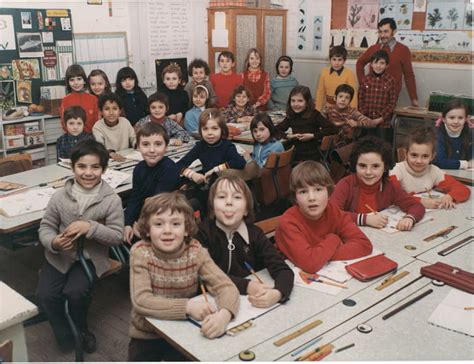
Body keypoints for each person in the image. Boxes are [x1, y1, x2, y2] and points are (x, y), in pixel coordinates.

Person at [128, 192, 239, 361]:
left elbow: (226, 286)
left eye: (176, 224)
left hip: (184, 331)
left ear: (187, 229)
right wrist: (187, 307)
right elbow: (141, 301)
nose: (167, 231)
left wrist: (224, 315)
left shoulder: (195, 251)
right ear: (148, 230)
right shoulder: (141, 252)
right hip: (147, 335)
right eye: (158, 224)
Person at [37, 139, 124, 353]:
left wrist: (90, 227)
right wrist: (54, 242)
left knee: (76, 293)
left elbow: (117, 236)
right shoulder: (59, 196)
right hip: (59, 256)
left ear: (104, 169)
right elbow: (46, 227)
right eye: (82, 166)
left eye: (95, 167)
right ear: (72, 166)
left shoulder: (111, 199)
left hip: (90, 259)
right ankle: (66, 334)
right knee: (45, 295)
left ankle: (82, 330)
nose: (88, 172)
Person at [197, 175, 294, 307]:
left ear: (247, 209)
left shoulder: (255, 234)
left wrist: (278, 293)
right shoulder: (202, 234)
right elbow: (207, 276)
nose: (229, 202)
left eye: (237, 197)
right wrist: (248, 286)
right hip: (212, 304)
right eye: (221, 197)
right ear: (212, 206)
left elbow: (282, 269)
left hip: (248, 305)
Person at [275, 161, 372, 273]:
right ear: (295, 198)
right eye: (303, 192)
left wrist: (319, 256)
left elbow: (364, 245)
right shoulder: (288, 222)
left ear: (329, 193)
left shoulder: (333, 211)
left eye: (318, 189)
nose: (311, 198)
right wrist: (334, 239)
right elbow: (310, 264)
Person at [331, 136, 425, 231]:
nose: (368, 172)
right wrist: (364, 219)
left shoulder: (389, 186)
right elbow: (332, 214)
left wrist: (410, 218)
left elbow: (416, 205)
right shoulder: (346, 184)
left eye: (375, 166)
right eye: (362, 166)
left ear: (385, 167)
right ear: (355, 166)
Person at [123, 123, 181, 245]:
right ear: (138, 146)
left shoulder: (170, 168)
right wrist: (128, 223)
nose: (152, 150)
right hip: (144, 216)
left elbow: (157, 203)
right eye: (145, 144)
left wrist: (140, 224)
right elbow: (135, 198)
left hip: (164, 219)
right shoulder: (139, 168)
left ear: (166, 146)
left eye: (158, 144)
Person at [390, 126, 470, 210]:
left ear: (432, 156)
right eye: (414, 155)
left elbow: (463, 189)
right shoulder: (396, 171)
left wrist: (450, 197)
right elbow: (394, 196)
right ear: (406, 154)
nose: (419, 161)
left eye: (425, 156)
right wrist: (420, 201)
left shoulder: (433, 171)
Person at [356, 17, 418, 106]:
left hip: (390, 98)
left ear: (394, 31)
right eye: (380, 32)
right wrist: (363, 83)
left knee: (385, 119)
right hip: (370, 96)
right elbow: (360, 63)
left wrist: (414, 98)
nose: (382, 35)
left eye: (386, 31)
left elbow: (409, 75)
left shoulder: (403, 50)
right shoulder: (373, 48)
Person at [177, 108, 246, 185]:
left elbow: (240, 162)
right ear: (200, 131)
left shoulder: (227, 146)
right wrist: (192, 174)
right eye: (205, 129)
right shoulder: (200, 146)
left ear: (222, 130)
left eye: (214, 128)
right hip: (209, 185)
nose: (209, 133)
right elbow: (178, 165)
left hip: (227, 185)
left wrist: (215, 169)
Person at [276, 86, 332, 162]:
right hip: (295, 153)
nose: (296, 104)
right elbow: (275, 130)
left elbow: (332, 129)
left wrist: (312, 136)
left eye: (300, 101)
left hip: (311, 154)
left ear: (307, 102)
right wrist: (289, 136)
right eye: (293, 101)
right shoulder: (292, 115)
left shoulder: (314, 115)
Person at [358, 50, 397, 142]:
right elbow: (360, 99)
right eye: (376, 62)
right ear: (371, 64)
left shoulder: (391, 81)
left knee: (381, 147)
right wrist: (366, 117)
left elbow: (392, 103)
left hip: (383, 123)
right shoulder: (365, 80)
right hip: (366, 121)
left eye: (382, 63)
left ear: (386, 65)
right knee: (365, 145)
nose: (378, 66)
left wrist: (380, 118)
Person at [92, 93, 136, 161]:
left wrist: (138, 146)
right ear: (101, 112)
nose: (111, 112)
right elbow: (99, 147)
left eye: (115, 109)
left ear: (120, 111)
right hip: (108, 160)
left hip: (126, 158)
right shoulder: (97, 127)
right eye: (107, 109)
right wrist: (111, 153)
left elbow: (134, 139)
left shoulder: (125, 122)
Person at [433, 99, 473, 170]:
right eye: (452, 118)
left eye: (460, 118)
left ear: (466, 119)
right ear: (443, 119)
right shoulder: (437, 135)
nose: (456, 121)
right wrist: (466, 164)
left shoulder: (470, 134)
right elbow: (440, 162)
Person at [315, 46, 358, 111]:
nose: (337, 63)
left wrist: (353, 111)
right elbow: (320, 92)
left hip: (344, 107)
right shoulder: (324, 72)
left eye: (340, 60)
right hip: (328, 107)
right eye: (334, 59)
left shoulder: (349, 74)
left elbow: (353, 95)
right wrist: (317, 109)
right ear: (330, 60)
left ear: (344, 60)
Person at [59, 64, 99, 133]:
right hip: (72, 138)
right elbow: (64, 122)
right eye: (72, 80)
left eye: (79, 79)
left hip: (91, 137)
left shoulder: (93, 99)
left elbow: (97, 121)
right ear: (68, 83)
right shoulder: (65, 100)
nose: (76, 83)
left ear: (84, 80)